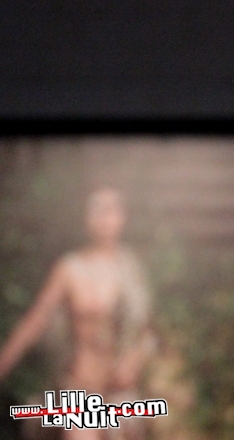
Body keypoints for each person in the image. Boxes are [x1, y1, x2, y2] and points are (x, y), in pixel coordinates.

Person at [0, 188, 154, 440]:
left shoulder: (131, 268)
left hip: (121, 393)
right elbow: (35, 321)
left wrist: (134, 359)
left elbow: (145, 329)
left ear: (122, 217)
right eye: (97, 211)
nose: (104, 218)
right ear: (86, 218)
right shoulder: (71, 268)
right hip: (82, 389)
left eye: (111, 210)